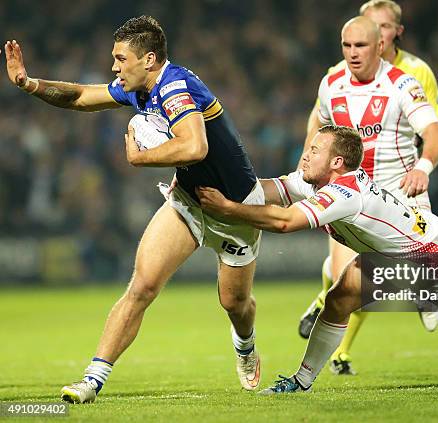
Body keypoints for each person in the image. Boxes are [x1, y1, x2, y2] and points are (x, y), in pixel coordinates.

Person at [197, 124, 438, 394]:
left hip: (437, 258)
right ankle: (300, 380)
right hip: (398, 260)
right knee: (341, 294)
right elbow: (273, 191)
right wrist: (228, 181)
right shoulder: (316, 180)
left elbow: (284, 222)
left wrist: (230, 209)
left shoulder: (344, 193)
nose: (306, 153)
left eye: (315, 149)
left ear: (337, 163)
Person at [3, 16, 263, 403]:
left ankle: (245, 347)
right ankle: (92, 380)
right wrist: (30, 84)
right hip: (189, 203)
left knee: (234, 303)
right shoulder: (139, 89)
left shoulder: (174, 87)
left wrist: (141, 160)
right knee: (141, 286)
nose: (114, 67)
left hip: (236, 210)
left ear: (149, 60)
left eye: (120, 59)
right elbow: (79, 97)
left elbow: (196, 147)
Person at [298, 8, 438, 383]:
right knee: (339, 276)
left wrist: (423, 167)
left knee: (436, 278)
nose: (357, 47)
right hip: (352, 195)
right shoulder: (333, 81)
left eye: (377, 31)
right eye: (350, 41)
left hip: (400, 193)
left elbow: (434, 128)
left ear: (390, 36)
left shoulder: (411, 76)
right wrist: (309, 163)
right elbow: (318, 122)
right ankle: (309, 370)